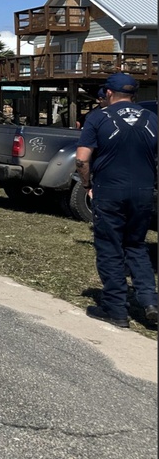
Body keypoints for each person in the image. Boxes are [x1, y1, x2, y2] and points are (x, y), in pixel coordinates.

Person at [75, 73, 158, 328]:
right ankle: (150, 301)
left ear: (108, 93)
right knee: (136, 245)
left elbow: (81, 158)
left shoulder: (99, 117)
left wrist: (88, 184)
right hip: (144, 192)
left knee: (110, 248)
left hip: (110, 190)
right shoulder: (152, 118)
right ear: (133, 94)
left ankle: (115, 309)